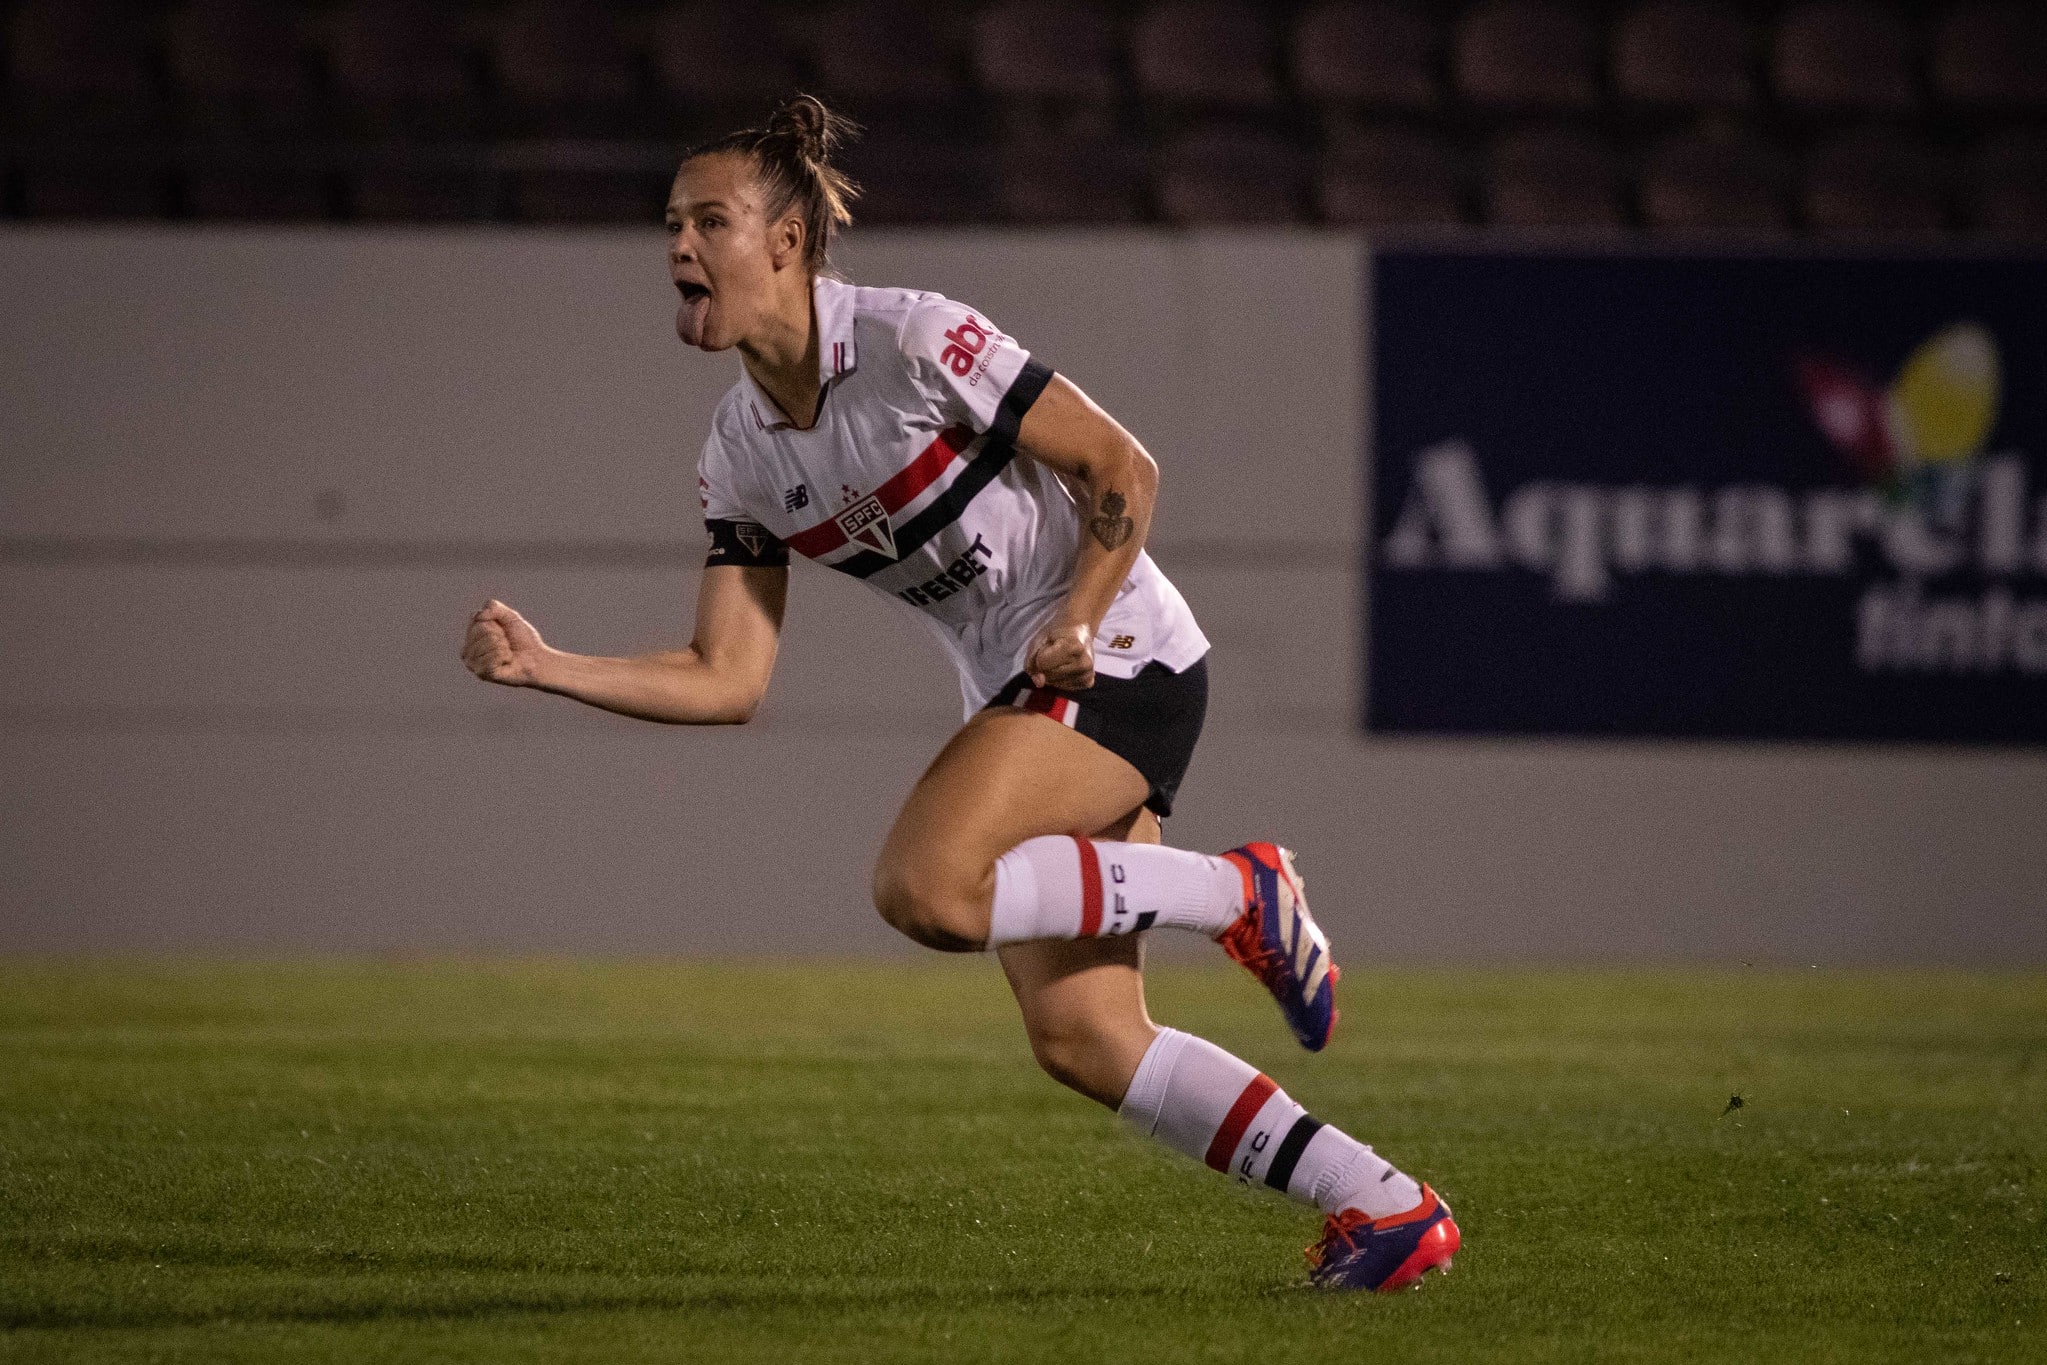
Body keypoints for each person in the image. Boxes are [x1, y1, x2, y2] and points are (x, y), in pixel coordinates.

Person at [460, 95, 1457, 1292]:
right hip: (1022, 690)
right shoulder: (737, 453)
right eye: (672, 223)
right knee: (1084, 1037)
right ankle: (1382, 1204)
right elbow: (726, 679)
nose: (679, 243)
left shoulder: (915, 340)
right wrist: (548, 665)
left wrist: (1077, 617)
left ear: (786, 241)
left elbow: (1119, 466)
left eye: (708, 220)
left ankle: (1238, 891)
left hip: (1118, 654)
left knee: (926, 887)